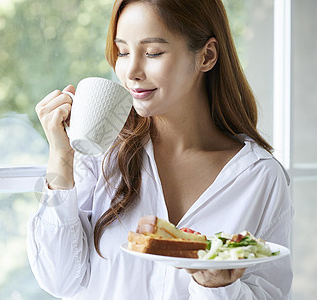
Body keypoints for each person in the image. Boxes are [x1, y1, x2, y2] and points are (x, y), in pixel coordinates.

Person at [27, 0, 294, 299]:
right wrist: (61, 157)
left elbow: (269, 293)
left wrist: (218, 287)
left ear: (206, 56)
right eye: (123, 52)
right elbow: (59, 279)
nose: (132, 71)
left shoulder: (259, 177)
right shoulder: (102, 155)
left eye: (153, 52)